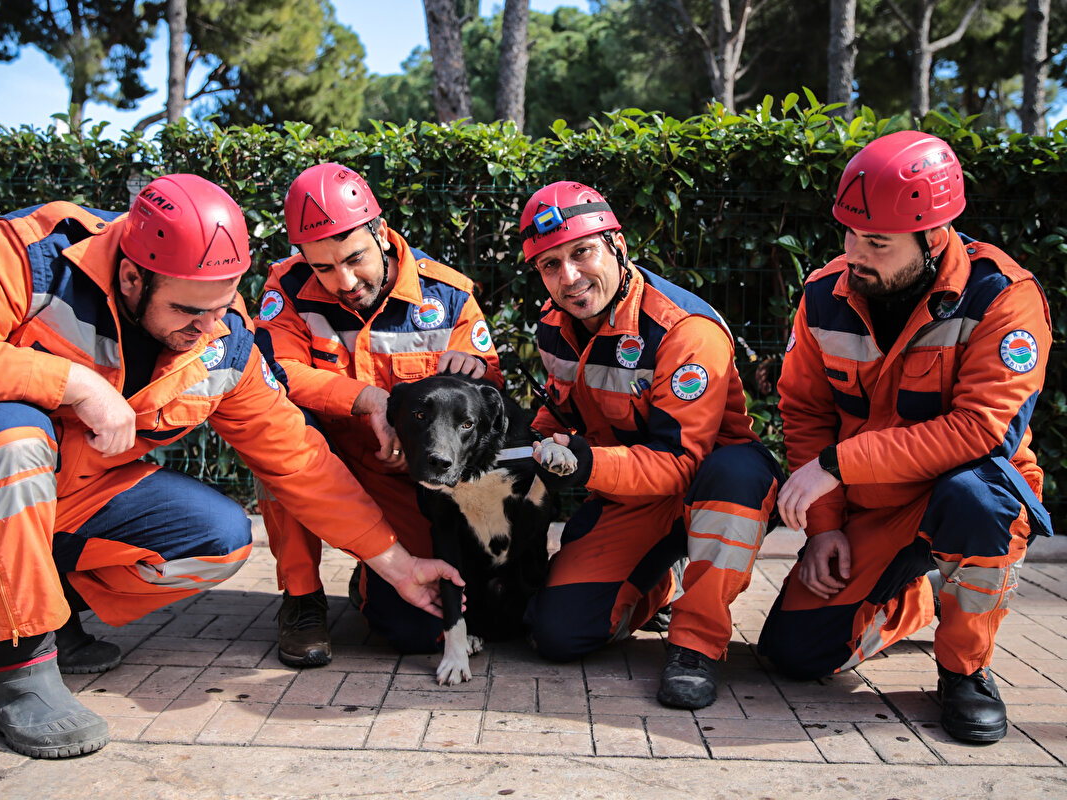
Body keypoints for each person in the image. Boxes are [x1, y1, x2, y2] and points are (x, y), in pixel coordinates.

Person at [0, 174, 462, 759]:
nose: (204, 329)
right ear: (132, 275)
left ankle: (52, 613)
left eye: (221, 306)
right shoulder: (33, 255)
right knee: (14, 435)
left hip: (65, 497)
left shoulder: (223, 339)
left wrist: (399, 565)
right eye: (187, 311)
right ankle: (17, 672)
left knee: (219, 538)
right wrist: (69, 382)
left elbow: (298, 461)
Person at [760, 131, 1054, 744]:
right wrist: (825, 527)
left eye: (876, 242)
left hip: (965, 489)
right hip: (873, 505)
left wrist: (836, 466)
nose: (855, 254)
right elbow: (806, 411)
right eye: (849, 234)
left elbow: (980, 430)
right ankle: (913, 596)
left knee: (980, 503)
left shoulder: (1004, 298)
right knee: (795, 656)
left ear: (935, 236)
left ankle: (965, 669)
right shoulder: (823, 295)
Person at [518, 181, 783, 710]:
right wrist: (527, 445)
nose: (568, 278)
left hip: (710, 485)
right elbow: (560, 413)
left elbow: (681, 462)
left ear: (617, 244)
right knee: (557, 636)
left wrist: (585, 463)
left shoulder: (684, 330)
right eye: (549, 265)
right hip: (630, 493)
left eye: (581, 252)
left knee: (733, 474)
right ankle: (658, 581)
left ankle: (697, 644)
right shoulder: (553, 328)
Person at [254, 163, 502, 666]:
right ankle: (302, 600)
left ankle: (371, 575)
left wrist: (476, 370)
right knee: (276, 430)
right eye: (323, 268)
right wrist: (366, 399)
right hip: (327, 459)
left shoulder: (449, 296)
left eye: (354, 259)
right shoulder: (288, 290)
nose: (343, 281)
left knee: (413, 628)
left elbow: (488, 393)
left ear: (381, 233)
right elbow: (273, 371)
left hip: (409, 480)